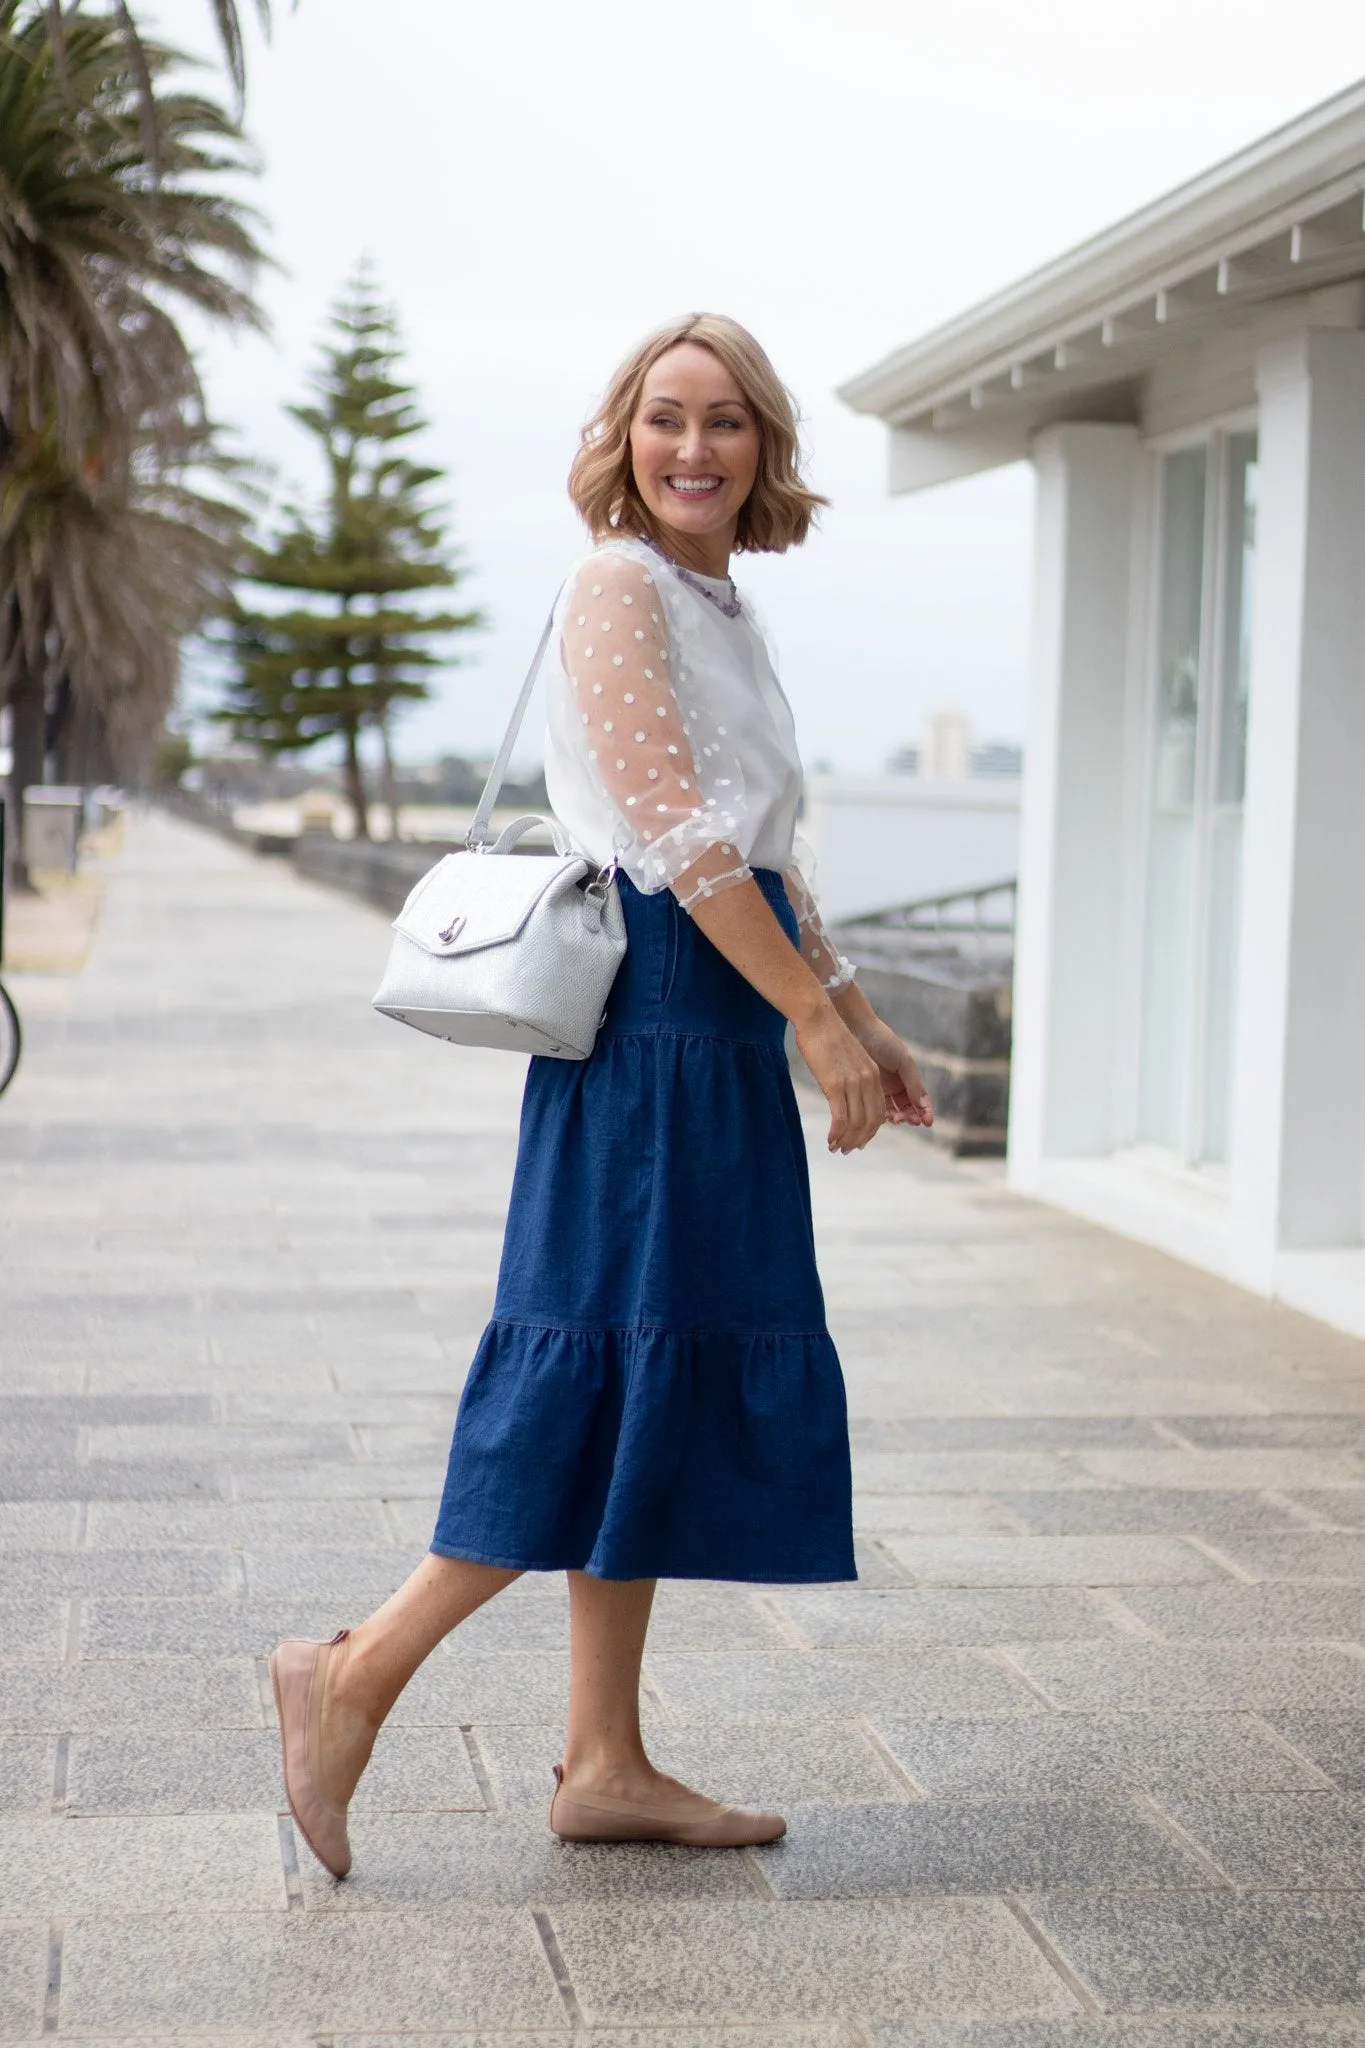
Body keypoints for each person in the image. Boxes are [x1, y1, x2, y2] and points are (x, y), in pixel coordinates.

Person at [269, 312, 933, 1876]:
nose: (695, 450)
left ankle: (604, 1761)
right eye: (665, 420)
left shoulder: (722, 606)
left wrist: (858, 1014)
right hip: (652, 1029)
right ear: (622, 443)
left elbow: (769, 853)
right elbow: (679, 842)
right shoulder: (616, 583)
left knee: (641, 1373)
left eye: (728, 425)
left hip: (716, 1016)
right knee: (588, 1373)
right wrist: (805, 1028)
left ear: (766, 449)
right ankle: (352, 1676)